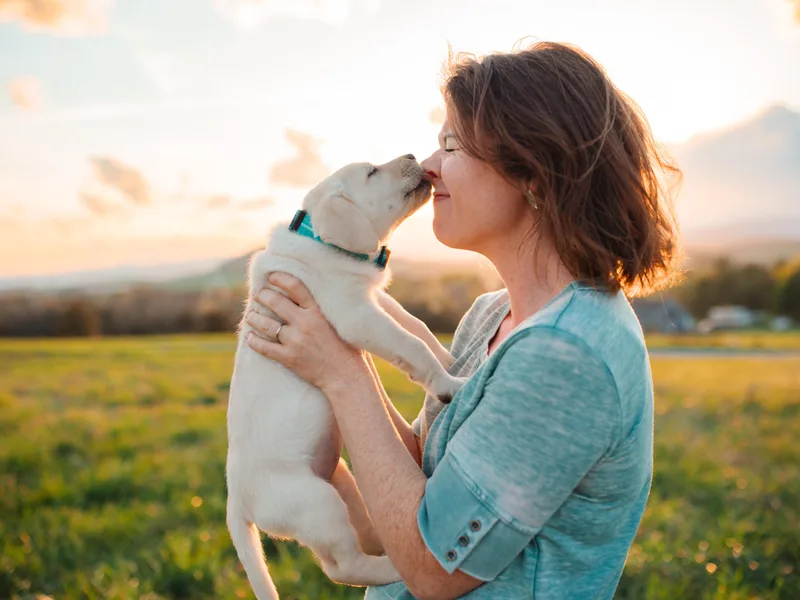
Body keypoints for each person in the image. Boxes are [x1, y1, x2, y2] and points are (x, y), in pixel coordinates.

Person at [244, 40, 680, 599]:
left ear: (535, 173)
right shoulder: (489, 316)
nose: (428, 165)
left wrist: (341, 372)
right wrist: (318, 394)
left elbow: (433, 568)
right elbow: (416, 493)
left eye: (451, 143)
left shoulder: (566, 357)